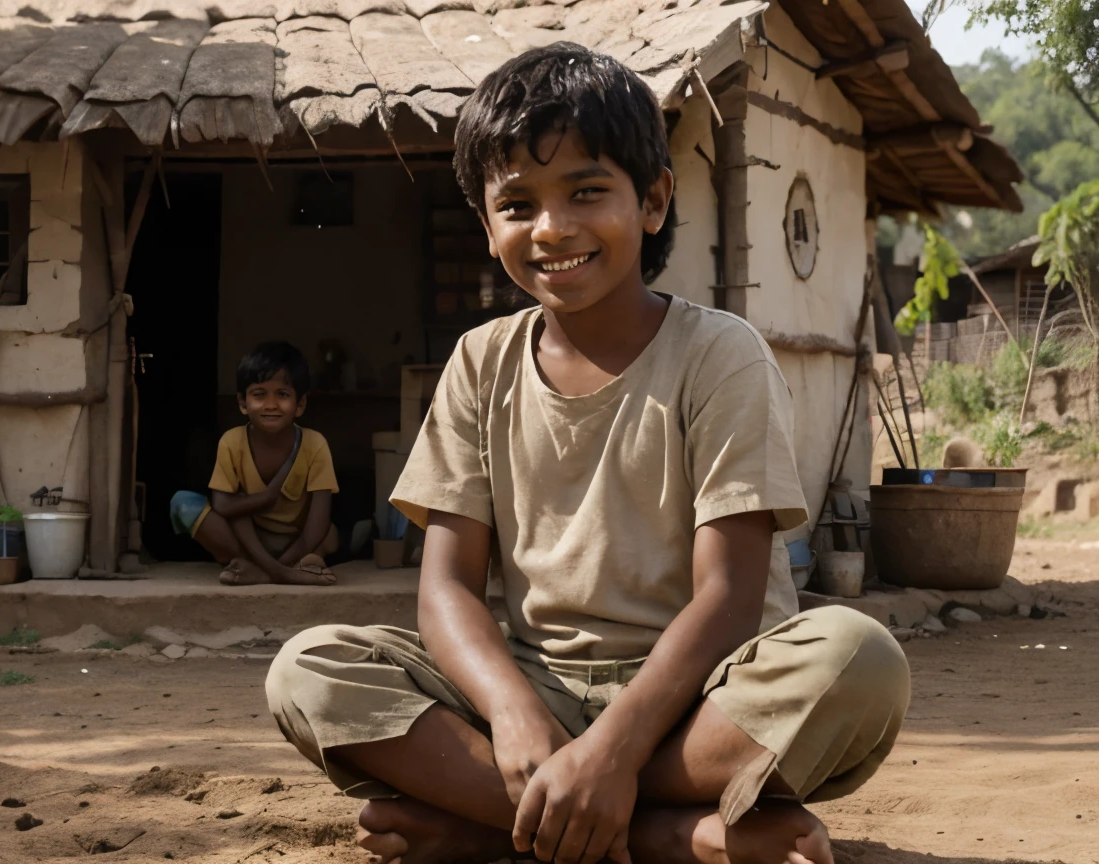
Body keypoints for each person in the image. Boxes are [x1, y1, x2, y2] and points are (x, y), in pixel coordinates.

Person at [264, 44, 908, 864]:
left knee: (858, 658)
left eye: (587, 191)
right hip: (536, 696)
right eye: (518, 203)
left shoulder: (721, 355)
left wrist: (612, 752)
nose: (552, 228)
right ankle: (666, 837)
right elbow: (448, 590)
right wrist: (512, 714)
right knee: (309, 670)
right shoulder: (479, 363)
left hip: (697, 698)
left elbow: (732, 598)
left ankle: (494, 825)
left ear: (653, 200)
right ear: (488, 223)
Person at [170, 341, 340, 586]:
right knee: (183, 504)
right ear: (242, 403)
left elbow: (317, 524)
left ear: (300, 404)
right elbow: (224, 506)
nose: (271, 405)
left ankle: (256, 571)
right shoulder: (232, 442)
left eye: (282, 394)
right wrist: (268, 496)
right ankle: (287, 569)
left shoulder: (315, 444)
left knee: (329, 535)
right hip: (245, 539)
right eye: (259, 394)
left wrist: (276, 567)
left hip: (296, 541)